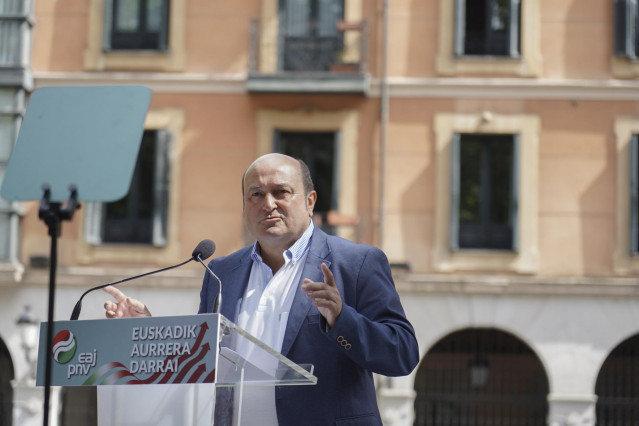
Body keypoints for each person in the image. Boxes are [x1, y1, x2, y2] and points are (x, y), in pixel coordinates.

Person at [104, 153, 419, 426]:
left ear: (310, 201)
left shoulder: (357, 263)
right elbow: (203, 361)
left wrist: (341, 319)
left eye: (281, 192)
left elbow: (402, 354)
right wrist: (148, 329)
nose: (268, 204)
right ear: (244, 206)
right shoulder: (221, 272)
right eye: (255, 194)